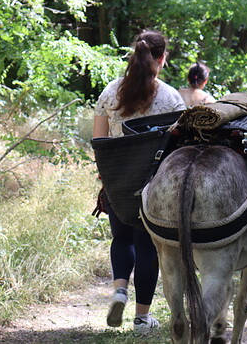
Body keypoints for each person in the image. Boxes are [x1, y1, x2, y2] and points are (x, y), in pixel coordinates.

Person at [92, 30, 186, 334]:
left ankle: (120, 289)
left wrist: (106, 178)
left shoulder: (110, 92)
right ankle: (142, 318)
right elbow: (180, 148)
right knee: (147, 247)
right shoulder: (171, 98)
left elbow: (99, 142)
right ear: (161, 59)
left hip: (117, 180)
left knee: (121, 238)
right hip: (153, 185)